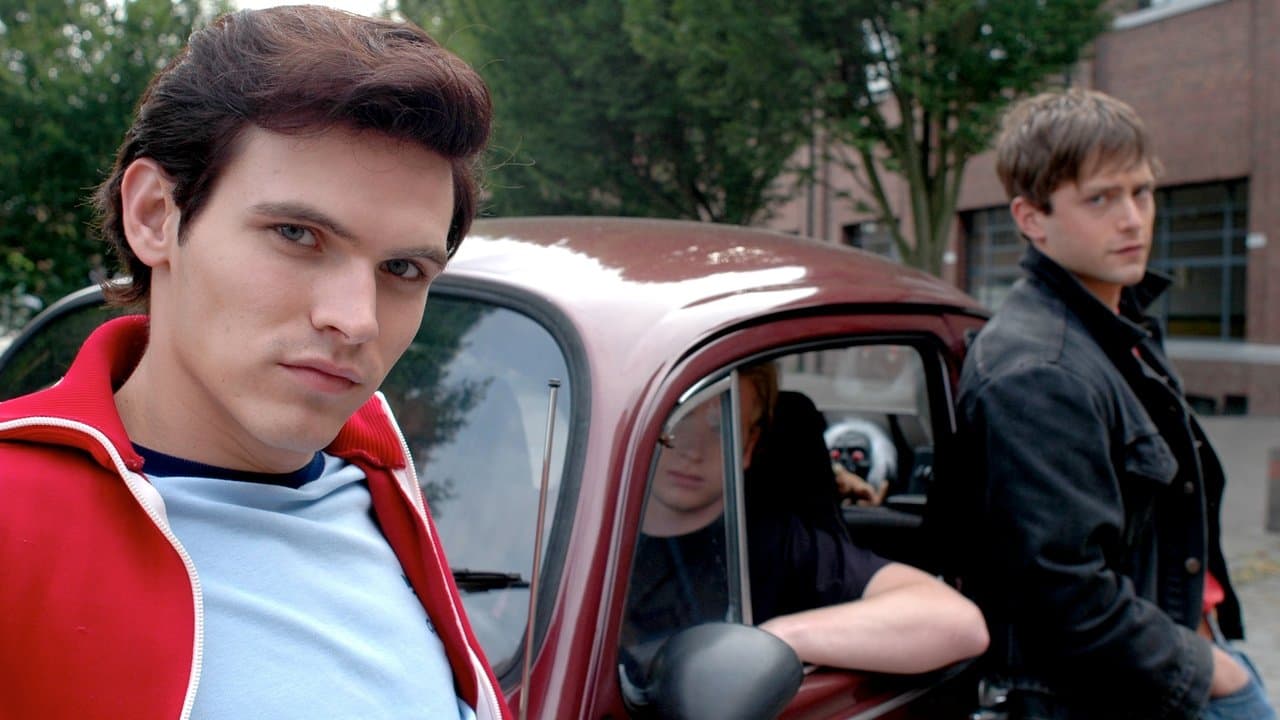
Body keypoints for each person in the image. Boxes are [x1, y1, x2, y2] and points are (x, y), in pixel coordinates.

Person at [0, 7, 509, 720]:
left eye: (402, 268)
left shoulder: (383, 487)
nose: (356, 319)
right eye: (296, 234)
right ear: (154, 215)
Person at [944, 88, 1276, 719]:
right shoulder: (1038, 372)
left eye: (1141, 192)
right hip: (1147, 689)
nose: (1132, 219)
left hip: (1187, 657)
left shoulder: (1120, 329)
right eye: (1100, 199)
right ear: (1031, 218)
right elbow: (1063, 592)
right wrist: (1210, 672)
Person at [623, 362, 988, 679]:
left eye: (721, 429)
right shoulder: (594, 529)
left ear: (748, 446)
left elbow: (957, 623)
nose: (692, 450)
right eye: (680, 422)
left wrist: (773, 640)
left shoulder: (774, 543)